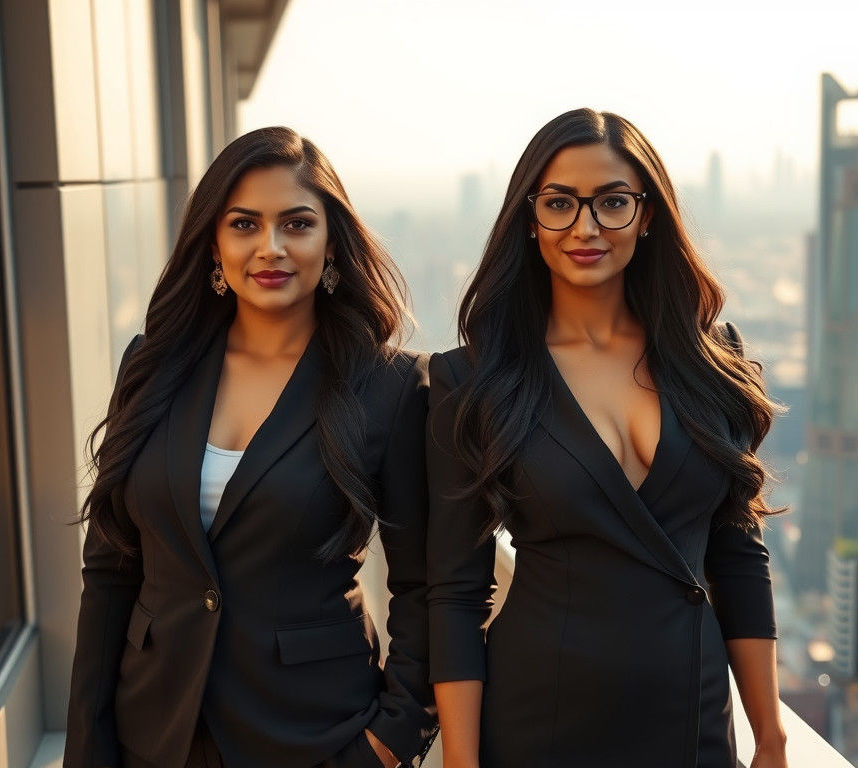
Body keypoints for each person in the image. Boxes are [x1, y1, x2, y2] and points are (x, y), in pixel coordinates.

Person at [65, 127, 438, 768]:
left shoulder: (390, 386)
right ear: (214, 241)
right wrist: (88, 747)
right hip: (152, 734)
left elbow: (426, 585)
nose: (271, 247)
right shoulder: (152, 367)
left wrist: (391, 740)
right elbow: (110, 570)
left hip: (316, 736)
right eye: (244, 224)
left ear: (331, 242)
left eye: (296, 223)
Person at [426, 109, 787, 768]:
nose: (586, 228)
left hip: (692, 719)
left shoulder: (713, 360)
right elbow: (454, 591)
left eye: (612, 202)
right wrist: (461, 762)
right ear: (529, 216)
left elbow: (738, 557)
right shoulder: (472, 378)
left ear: (647, 215)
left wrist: (771, 737)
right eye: (560, 203)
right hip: (542, 720)